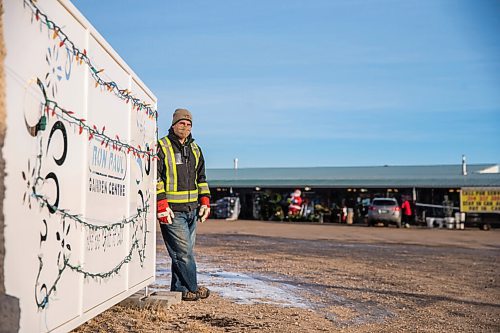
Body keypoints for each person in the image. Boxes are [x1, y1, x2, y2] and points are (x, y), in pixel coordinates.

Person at [156, 108, 211, 301]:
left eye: (189, 124)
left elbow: (201, 178)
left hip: (192, 211)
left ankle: (180, 290)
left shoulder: (195, 149)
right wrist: (161, 204)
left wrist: (205, 201)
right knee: (184, 254)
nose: (185, 127)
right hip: (172, 212)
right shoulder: (161, 146)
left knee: (181, 254)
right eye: (182, 123)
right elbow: (156, 177)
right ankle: (193, 287)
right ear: (173, 124)